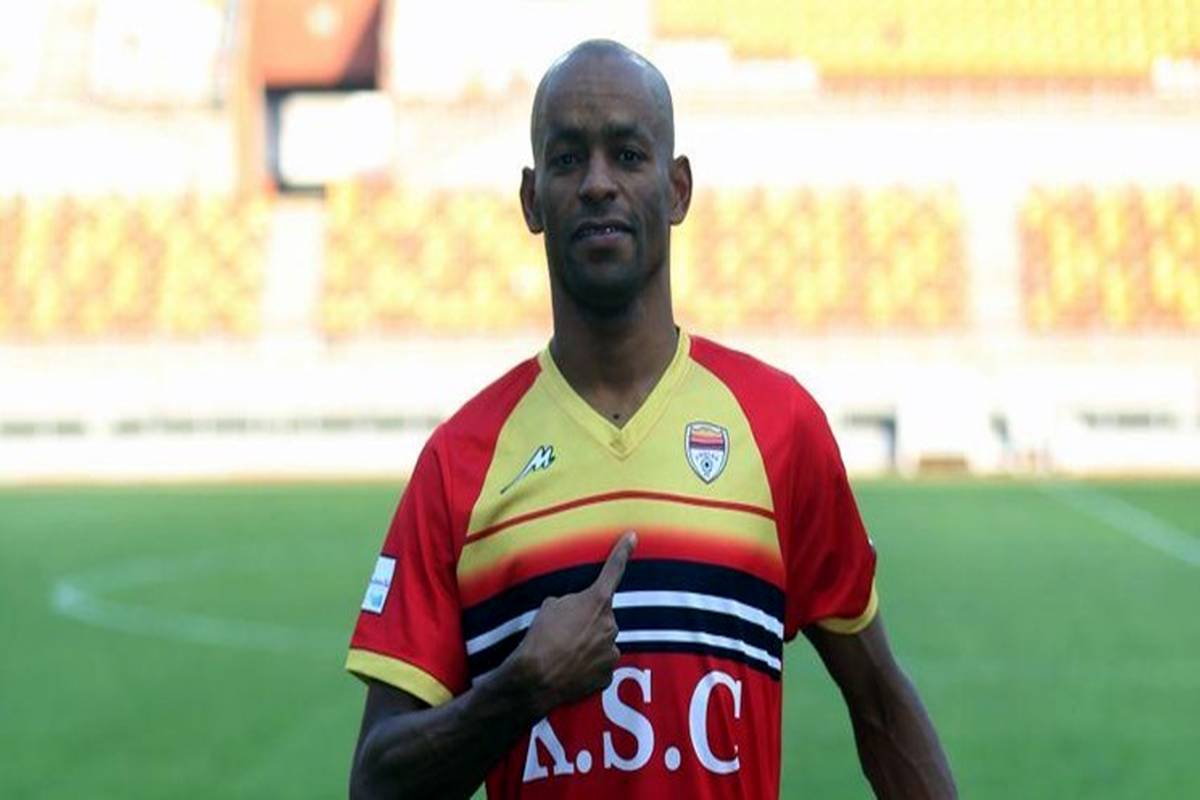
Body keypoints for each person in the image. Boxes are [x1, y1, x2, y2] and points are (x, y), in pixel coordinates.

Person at [346, 39, 957, 799]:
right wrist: (517, 691)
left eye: (628, 155)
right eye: (568, 159)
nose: (598, 182)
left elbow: (881, 706)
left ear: (677, 189)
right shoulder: (459, 462)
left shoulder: (778, 426)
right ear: (532, 200)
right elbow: (375, 783)